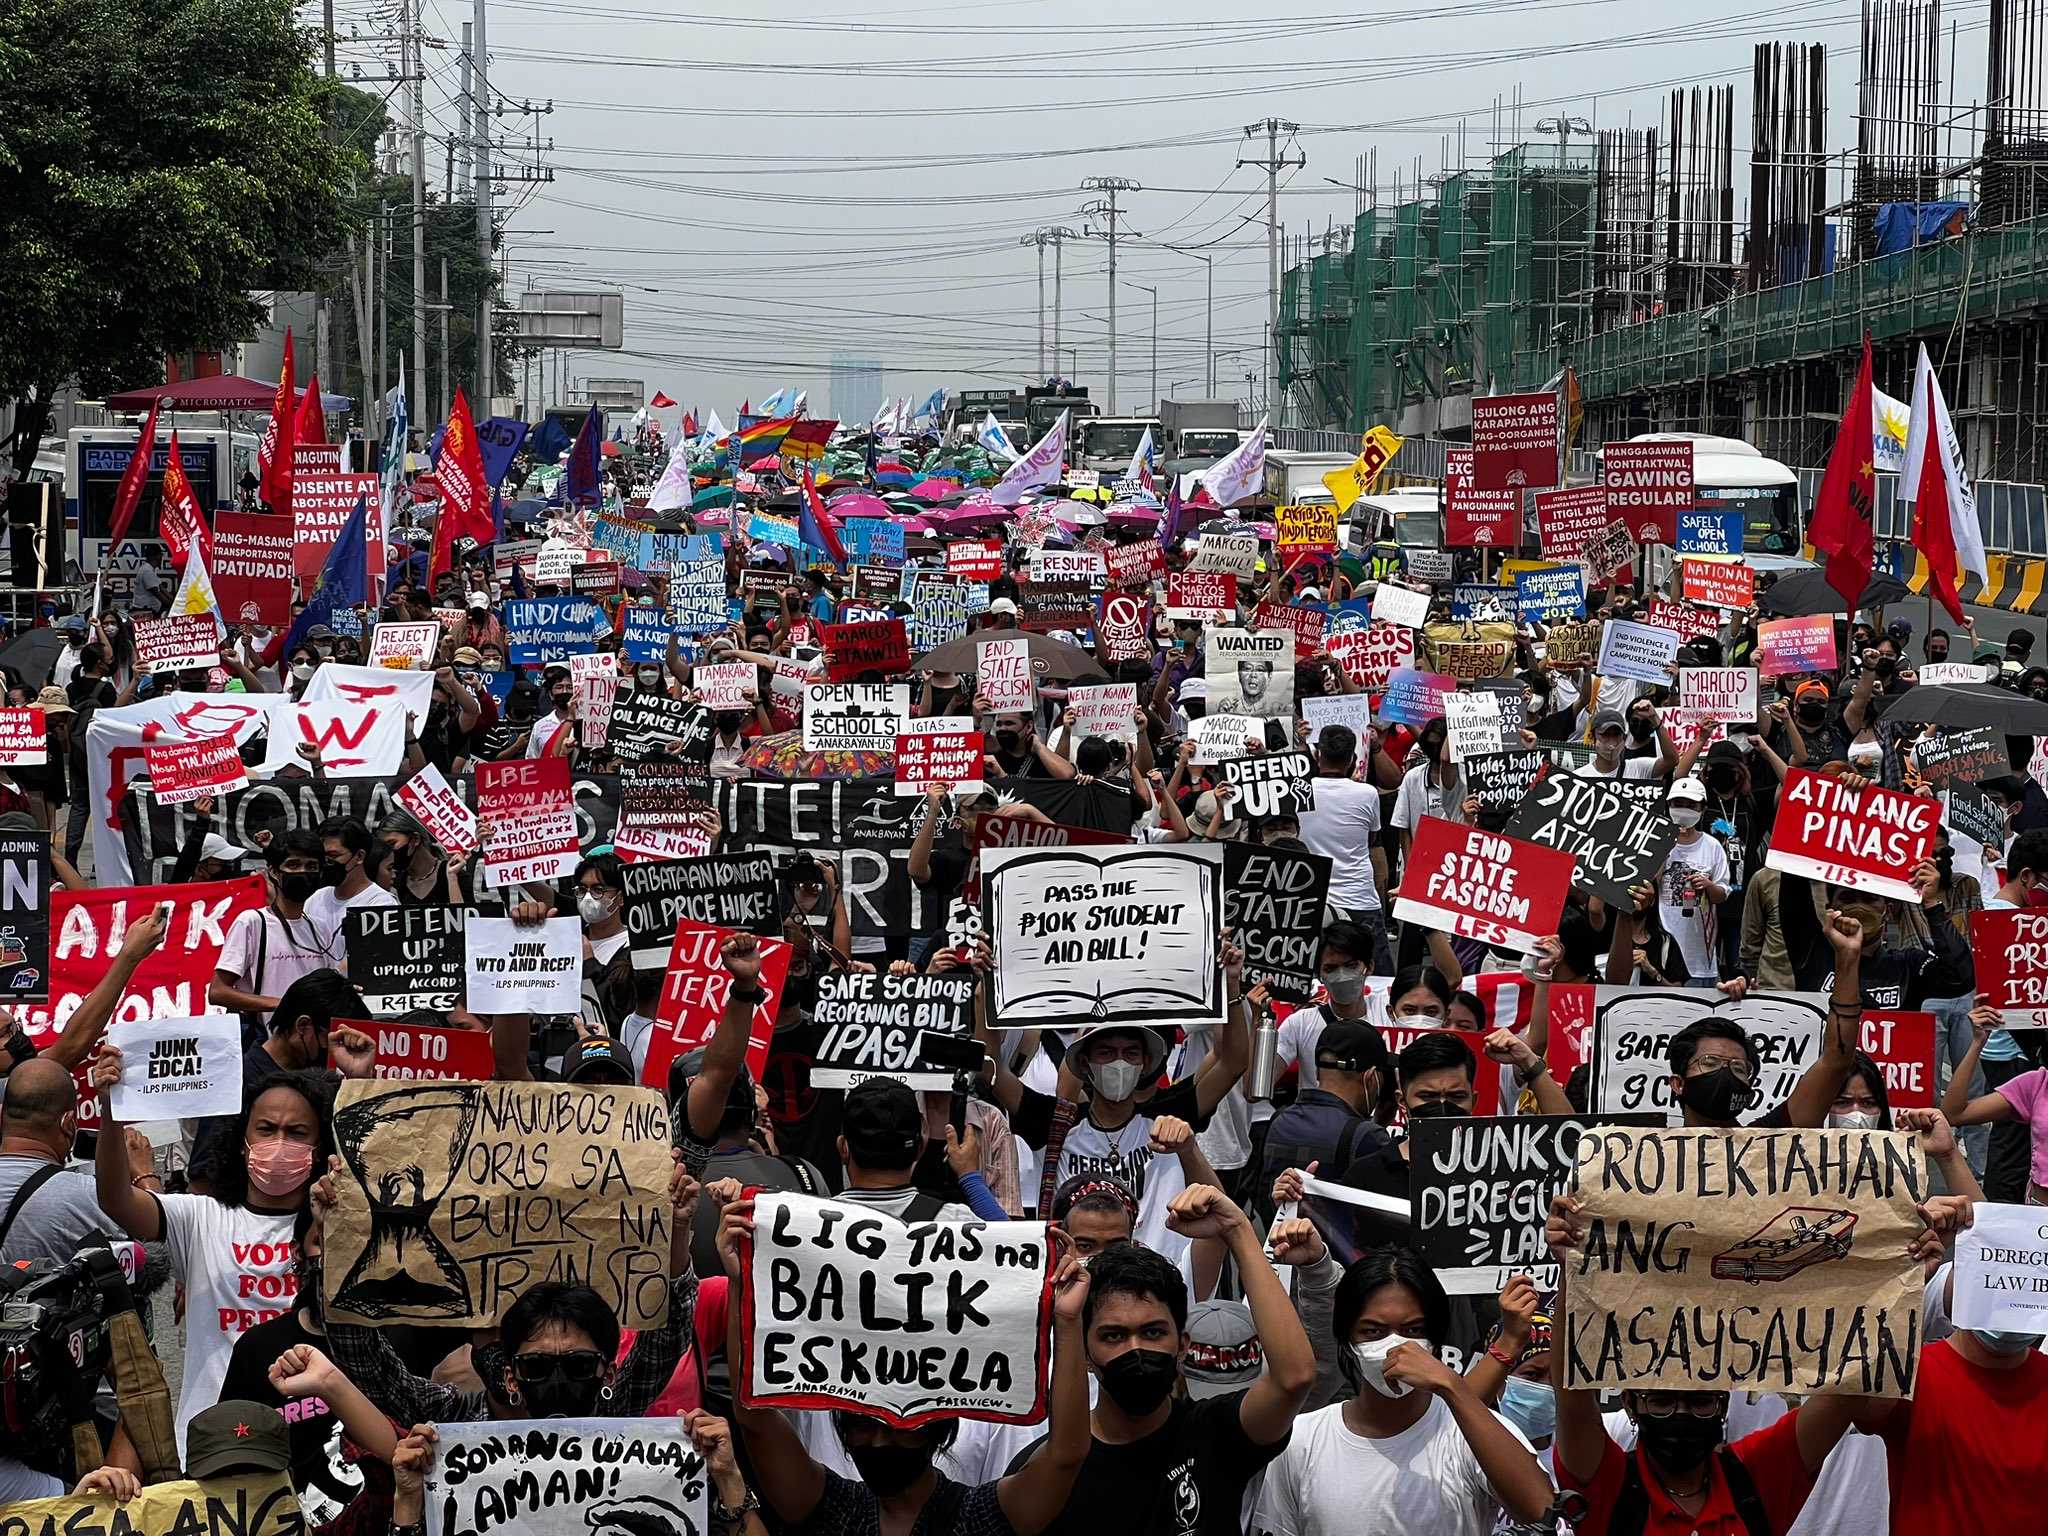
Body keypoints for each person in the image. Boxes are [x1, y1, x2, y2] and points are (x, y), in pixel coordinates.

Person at [714, 1190, 1095, 1536]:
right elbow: (754, 1416)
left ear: (937, 1426)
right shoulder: (832, 1507)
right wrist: (742, 1283)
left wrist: (1067, 1322)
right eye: (864, 1426)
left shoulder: (978, 1516)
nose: (880, 1442)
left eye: (901, 1428)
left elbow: (1066, 1454)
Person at [1018, 1185, 1315, 1536]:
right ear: (1083, 1354)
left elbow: (1294, 1377)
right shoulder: (1047, 1468)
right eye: (1113, 1335)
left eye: (1153, 1332)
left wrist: (1236, 1229)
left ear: (1182, 1344)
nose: (1136, 1349)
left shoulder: (1215, 1432)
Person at [89, 1049, 332, 1458]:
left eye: (297, 1133)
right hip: (214, 1443)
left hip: (316, 1439)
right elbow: (115, 1198)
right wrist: (111, 1111)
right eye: (267, 1129)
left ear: (318, 1145)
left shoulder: (335, 1224)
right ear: (243, 1142)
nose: (279, 1144)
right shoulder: (199, 1217)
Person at [1253, 1249, 1554, 1535]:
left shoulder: (1472, 1432)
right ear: (1347, 1340)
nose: (1394, 1346)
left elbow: (1542, 1511)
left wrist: (1450, 1385)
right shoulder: (1302, 1441)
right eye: (1373, 1331)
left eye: (1413, 1331)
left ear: (1435, 1339)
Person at [211, 833, 348, 1019]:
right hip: (268, 1043)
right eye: (293, 865)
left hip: (312, 1041)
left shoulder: (320, 927)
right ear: (274, 872)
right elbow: (218, 992)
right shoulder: (252, 922)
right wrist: (285, 1005)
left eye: (311, 866)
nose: (303, 872)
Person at [1296, 724, 1391, 968]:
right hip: (1359, 898)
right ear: (1352, 759)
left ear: (1318, 755)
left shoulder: (1298, 791)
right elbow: (1372, 842)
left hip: (1314, 898)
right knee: (1377, 974)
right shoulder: (1367, 793)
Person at [1656, 776, 1731, 988]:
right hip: (1664, 953)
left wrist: (1707, 886)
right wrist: (1664, 846)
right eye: (1678, 804)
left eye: (1691, 805)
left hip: (1700, 956)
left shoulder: (1712, 846)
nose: (1684, 810)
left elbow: (1722, 894)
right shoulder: (1658, 841)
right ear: (1669, 805)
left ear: (1702, 809)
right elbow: (1650, 885)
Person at [304, 815, 399, 929]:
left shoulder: (381, 904)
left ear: (359, 856)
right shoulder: (315, 899)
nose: (326, 862)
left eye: (334, 856)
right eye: (322, 855)